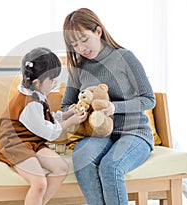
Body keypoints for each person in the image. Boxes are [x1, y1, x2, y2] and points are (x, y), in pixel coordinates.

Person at [61, 8, 156, 205]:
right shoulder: (78, 68)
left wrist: (114, 107)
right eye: (74, 44)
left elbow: (149, 99)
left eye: (84, 39)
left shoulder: (124, 57)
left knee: (111, 167)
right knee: (82, 158)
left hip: (134, 132)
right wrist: (75, 111)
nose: (81, 48)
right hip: (99, 135)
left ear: (98, 31)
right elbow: (65, 106)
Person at [0, 47, 87, 205]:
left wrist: (66, 115)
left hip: (32, 141)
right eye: (52, 80)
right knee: (39, 183)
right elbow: (49, 132)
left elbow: (45, 119)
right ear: (37, 82)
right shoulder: (28, 103)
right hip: (14, 144)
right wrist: (70, 122)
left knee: (61, 168)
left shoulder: (35, 92)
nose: (55, 83)